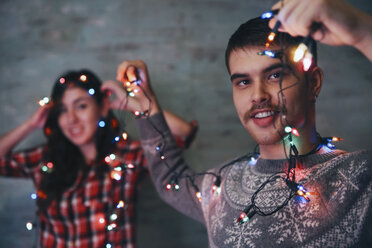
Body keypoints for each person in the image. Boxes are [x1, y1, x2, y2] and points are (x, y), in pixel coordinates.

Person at [106, 1, 372, 247]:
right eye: (243, 82)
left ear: (313, 83)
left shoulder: (360, 178)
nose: (257, 95)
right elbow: (170, 180)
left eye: (275, 75)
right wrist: (144, 104)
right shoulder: (220, 187)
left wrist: (362, 32)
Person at [0, 69, 197, 247]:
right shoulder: (45, 160)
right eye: (62, 111)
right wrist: (30, 125)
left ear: (103, 107)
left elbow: (183, 134)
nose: (71, 119)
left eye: (81, 106)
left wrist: (132, 102)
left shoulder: (127, 156)